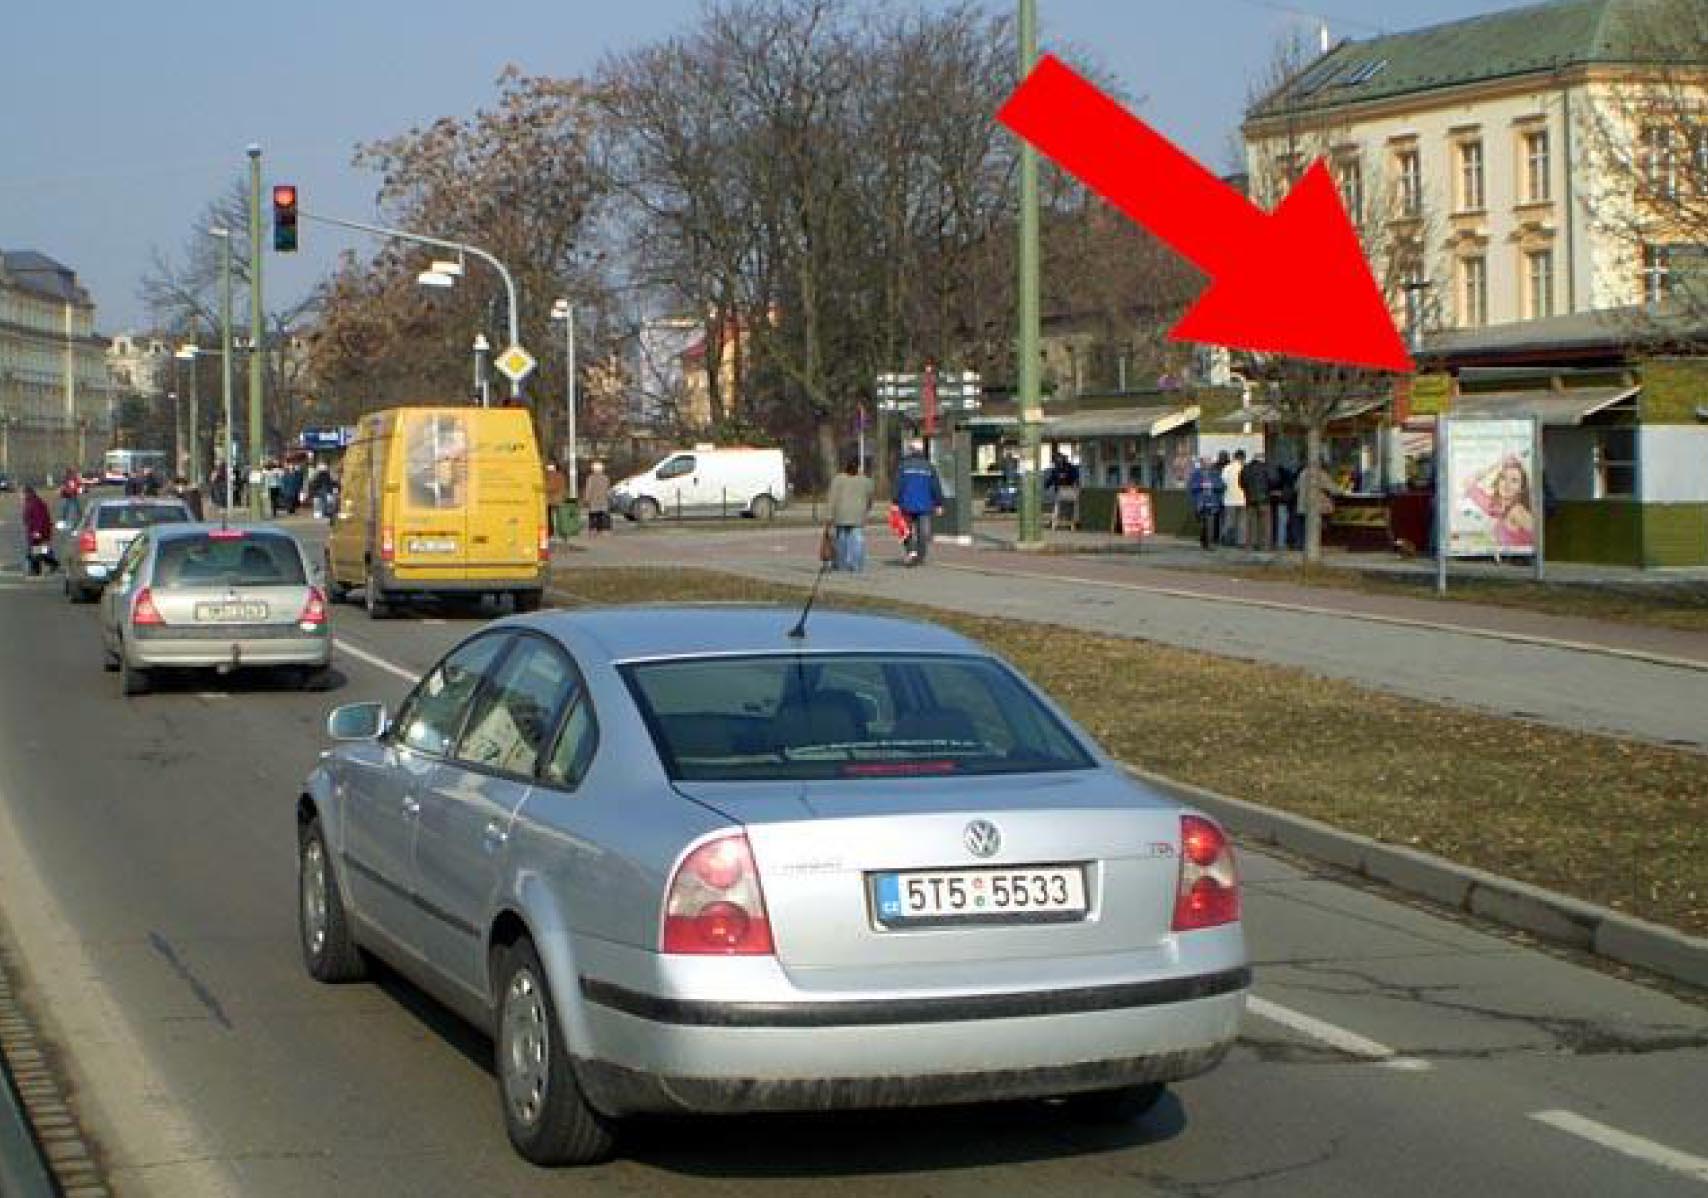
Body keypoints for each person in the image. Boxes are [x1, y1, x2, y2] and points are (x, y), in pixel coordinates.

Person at [1464, 454, 1536, 552]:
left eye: (1514, 480)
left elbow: (1538, 539)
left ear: (1521, 488)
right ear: (1498, 481)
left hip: (1519, 564)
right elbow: (1469, 483)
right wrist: (1499, 463)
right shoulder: (1497, 507)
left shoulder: (1517, 511)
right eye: (1503, 478)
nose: (1507, 484)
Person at [892, 439, 944, 566]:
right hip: (925, 505)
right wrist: (938, 503)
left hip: (906, 504)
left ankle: (911, 551)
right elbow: (935, 486)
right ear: (921, 451)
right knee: (923, 533)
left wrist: (895, 501)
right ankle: (920, 556)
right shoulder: (929, 466)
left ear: (911, 450)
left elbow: (898, 485)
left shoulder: (903, 466)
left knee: (905, 530)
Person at [825, 456, 875, 573]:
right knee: (857, 539)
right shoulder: (866, 480)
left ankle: (842, 564)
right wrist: (867, 510)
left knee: (841, 539)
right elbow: (870, 498)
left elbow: (832, 499)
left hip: (841, 514)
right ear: (858, 467)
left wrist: (829, 516)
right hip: (858, 514)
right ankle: (856, 565)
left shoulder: (838, 479)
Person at [1188, 455, 1224, 550]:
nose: (1207, 465)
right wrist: (1201, 485)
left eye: (1208, 463)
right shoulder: (1196, 474)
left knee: (1210, 522)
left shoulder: (1215, 474)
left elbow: (1221, 486)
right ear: (1201, 463)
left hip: (1212, 501)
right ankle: (1204, 540)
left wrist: (1212, 485)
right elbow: (1191, 487)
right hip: (1201, 501)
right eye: (1205, 463)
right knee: (1204, 523)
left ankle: (1209, 543)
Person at [21, 486, 59, 576]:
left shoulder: (36, 503)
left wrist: (38, 531)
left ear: (27, 493)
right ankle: (51, 563)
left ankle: (37, 569)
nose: (21, 496)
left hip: (37, 531)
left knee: (33, 551)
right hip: (33, 530)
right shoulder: (30, 502)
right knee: (37, 550)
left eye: (22, 494)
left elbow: (40, 518)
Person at [1240, 450, 1270, 550]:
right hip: (1264, 498)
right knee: (1264, 523)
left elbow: (1241, 482)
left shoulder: (1246, 468)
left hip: (1250, 498)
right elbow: (1274, 480)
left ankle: (1250, 544)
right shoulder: (1266, 468)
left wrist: (1247, 492)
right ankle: (1264, 545)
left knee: (1250, 523)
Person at [1220, 450, 1247, 547]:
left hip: (1229, 499)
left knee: (1229, 521)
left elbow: (1222, 482)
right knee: (1242, 522)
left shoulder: (1227, 468)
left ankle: (1226, 540)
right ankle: (1240, 542)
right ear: (1242, 458)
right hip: (1242, 498)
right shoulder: (1244, 468)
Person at [1268, 459, 1294, 550]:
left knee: (1274, 522)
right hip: (1283, 502)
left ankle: (1275, 541)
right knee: (1282, 522)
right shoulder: (1288, 477)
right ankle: (1281, 543)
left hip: (1272, 502)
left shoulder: (1272, 478)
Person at [582, 460, 612, 535]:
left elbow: (588, 489)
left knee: (593, 515)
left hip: (594, 499)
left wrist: (586, 498)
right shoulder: (605, 478)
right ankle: (604, 530)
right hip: (603, 499)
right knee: (603, 515)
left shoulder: (591, 478)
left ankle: (593, 529)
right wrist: (609, 497)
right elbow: (608, 489)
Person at [544, 462, 569, 540]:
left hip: (553, 499)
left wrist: (541, 488)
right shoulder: (558, 475)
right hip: (556, 499)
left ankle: (554, 532)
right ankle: (561, 533)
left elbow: (552, 487)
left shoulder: (552, 476)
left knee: (552, 517)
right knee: (556, 517)